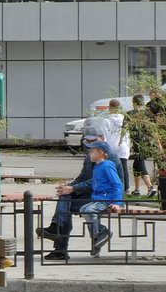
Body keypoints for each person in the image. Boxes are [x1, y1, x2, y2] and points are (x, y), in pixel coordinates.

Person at [38, 117, 106, 261]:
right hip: (91, 193)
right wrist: (68, 186)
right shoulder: (91, 155)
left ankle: (59, 239)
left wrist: (73, 188)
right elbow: (82, 177)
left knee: (66, 203)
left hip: (104, 196)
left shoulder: (106, 155)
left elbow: (98, 182)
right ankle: (57, 234)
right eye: (88, 141)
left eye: (93, 141)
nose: (90, 144)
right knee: (65, 197)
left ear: (102, 138)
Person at [78, 142, 124, 256]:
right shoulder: (97, 166)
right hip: (98, 199)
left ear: (101, 153)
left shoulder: (107, 165)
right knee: (84, 209)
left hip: (107, 199)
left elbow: (117, 184)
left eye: (92, 152)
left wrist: (117, 203)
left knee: (87, 210)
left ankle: (102, 233)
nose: (89, 154)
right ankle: (98, 238)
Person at [125, 94, 156, 197]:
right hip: (148, 143)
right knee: (136, 165)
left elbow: (124, 130)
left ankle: (150, 187)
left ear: (133, 102)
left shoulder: (130, 114)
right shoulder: (148, 114)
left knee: (140, 164)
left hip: (137, 143)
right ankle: (137, 190)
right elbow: (153, 130)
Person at [103, 99, 131, 190]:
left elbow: (104, 136)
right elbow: (127, 133)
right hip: (123, 146)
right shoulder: (124, 119)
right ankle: (126, 188)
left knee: (112, 169)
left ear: (110, 108)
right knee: (124, 167)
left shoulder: (106, 121)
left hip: (111, 146)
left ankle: (114, 187)